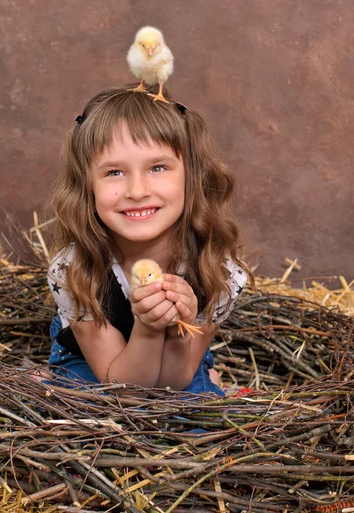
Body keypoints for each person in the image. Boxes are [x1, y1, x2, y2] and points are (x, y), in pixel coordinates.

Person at [45, 84, 253, 396]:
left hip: (180, 362)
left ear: (191, 176)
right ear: (87, 185)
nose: (137, 191)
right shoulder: (73, 269)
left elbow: (174, 381)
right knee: (93, 413)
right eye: (114, 172)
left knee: (190, 415)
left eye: (157, 167)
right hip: (99, 364)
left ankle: (207, 374)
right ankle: (51, 378)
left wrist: (178, 331)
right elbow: (125, 390)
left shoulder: (218, 271)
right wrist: (148, 327)